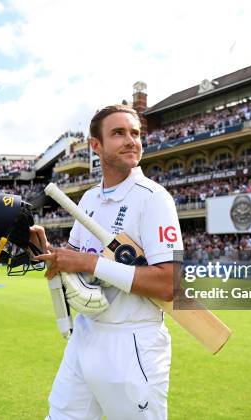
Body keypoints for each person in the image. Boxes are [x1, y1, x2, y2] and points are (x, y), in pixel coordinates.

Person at [34, 104, 183, 419]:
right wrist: (43, 248)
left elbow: (170, 283)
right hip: (85, 336)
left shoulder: (154, 198)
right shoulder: (88, 199)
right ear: (96, 145)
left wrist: (88, 264)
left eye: (135, 133)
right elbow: (69, 266)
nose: (131, 141)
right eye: (119, 133)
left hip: (132, 343)